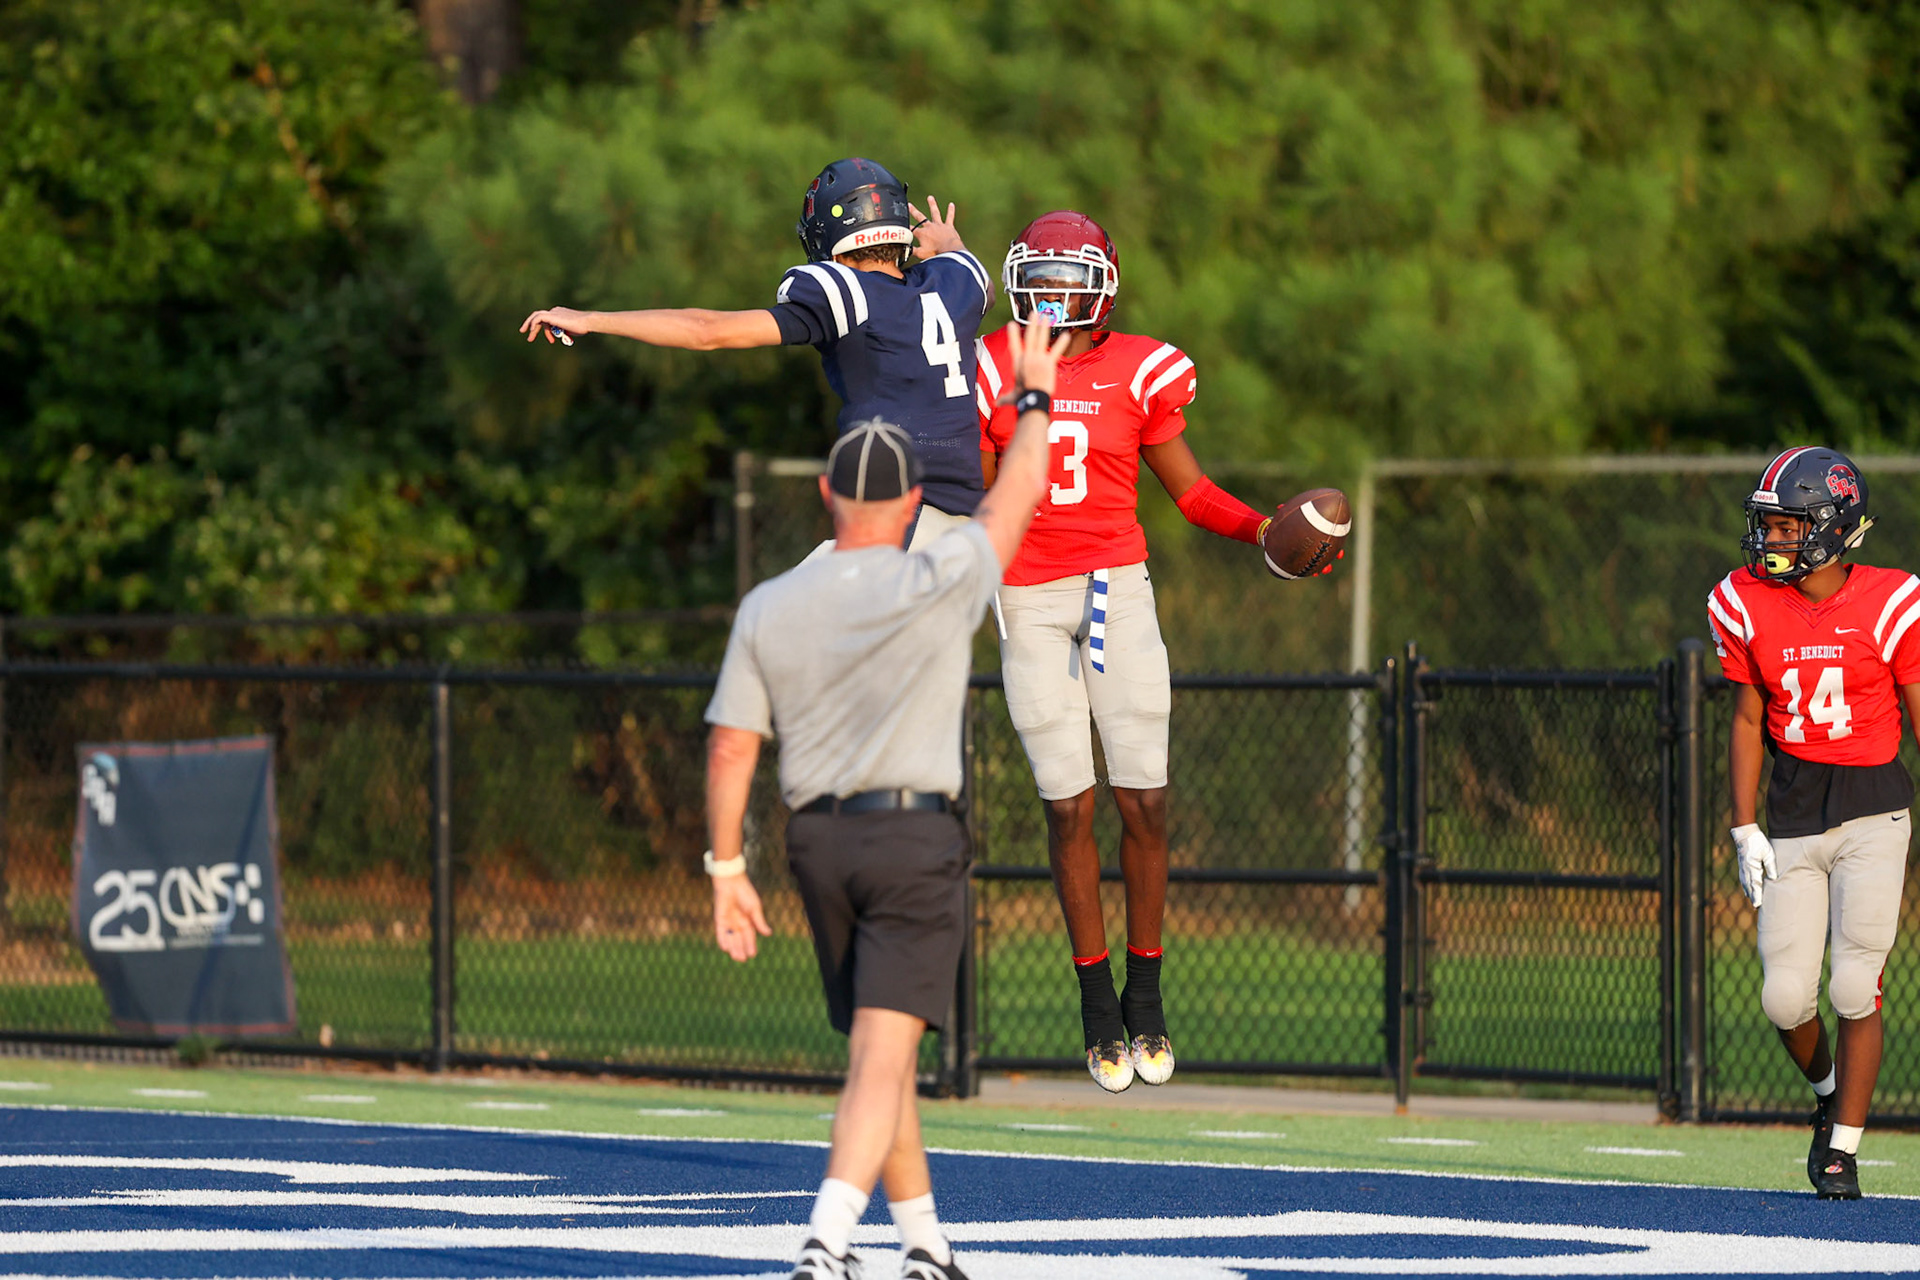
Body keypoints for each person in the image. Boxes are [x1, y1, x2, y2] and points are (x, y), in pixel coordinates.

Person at [703, 318, 1065, 1280]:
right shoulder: (937, 575)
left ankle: (924, 1245)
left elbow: (734, 742)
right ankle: (826, 1238)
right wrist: (1032, 397)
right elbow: (1020, 492)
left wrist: (725, 867)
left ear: (827, 493)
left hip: (814, 843)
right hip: (910, 840)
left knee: (882, 1041)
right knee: (878, 1052)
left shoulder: (770, 603)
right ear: (911, 497)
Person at [974, 211, 1278, 1093]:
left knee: (1142, 797)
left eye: (1074, 277)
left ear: (1103, 283)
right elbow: (980, 499)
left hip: (1115, 587)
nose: (1058, 293)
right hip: (1027, 593)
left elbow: (1190, 493)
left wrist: (1263, 530)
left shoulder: (1141, 367)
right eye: (1046, 275)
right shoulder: (990, 363)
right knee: (1066, 805)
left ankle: (1147, 994)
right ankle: (1096, 1003)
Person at [518, 157, 995, 548]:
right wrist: (950, 243)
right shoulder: (956, 279)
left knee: (785, 633)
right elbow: (964, 270)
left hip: (898, 518)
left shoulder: (846, 294)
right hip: (968, 524)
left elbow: (707, 331)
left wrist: (593, 320)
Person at [1707, 446, 1919, 1200]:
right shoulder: (1740, 600)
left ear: (1831, 527)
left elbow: (1919, 709)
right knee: (1783, 997)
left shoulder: (1892, 601)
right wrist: (1742, 825)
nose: (1772, 539)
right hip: (1792, 811)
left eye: (1789, 526)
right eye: (1769, 525)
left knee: (1857, 982)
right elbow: (1745, 715)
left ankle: (1844, 1151)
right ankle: (1829, 1095)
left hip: (1872, 808)